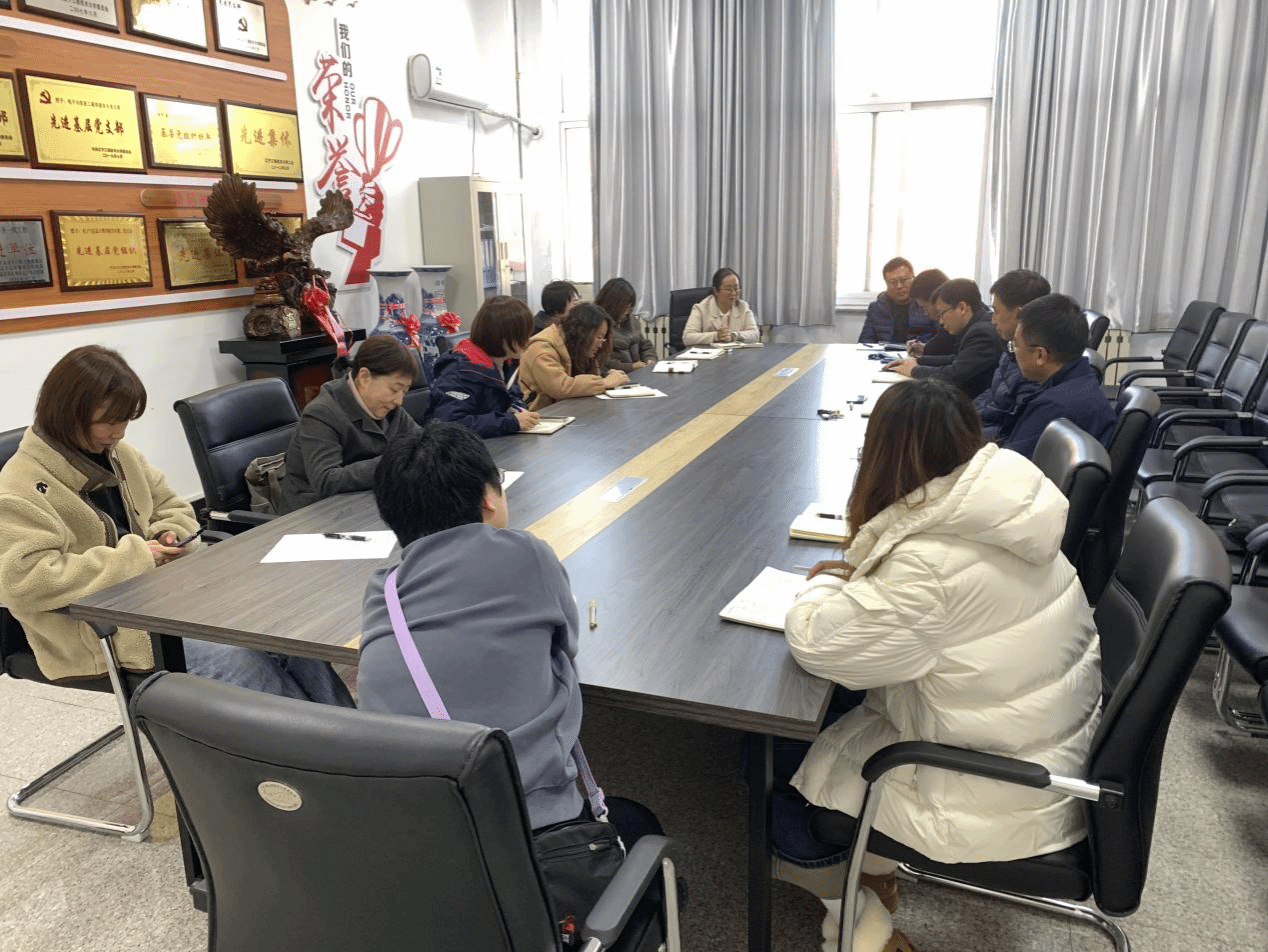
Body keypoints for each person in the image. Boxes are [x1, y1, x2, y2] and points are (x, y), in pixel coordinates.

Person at [777, 377, 1101, 952]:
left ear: (882, 455)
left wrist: (819, 587)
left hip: (989, 791)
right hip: (1040, 754)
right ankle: (874, 869)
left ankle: (858, 917)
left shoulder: (931, 566)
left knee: (770, 756)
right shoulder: (1006, 509)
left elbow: (819, 644)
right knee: (837, 705)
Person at [358, 422, 660, 847]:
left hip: (423, 831)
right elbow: (566, 647)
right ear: (488, 497)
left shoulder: (382, 590)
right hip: (534, 830)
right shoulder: (527, 553)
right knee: (640, 824)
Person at [0, 345, 352, 706]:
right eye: (108, 422)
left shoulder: (119, 455)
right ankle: (309, 739)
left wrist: (167, 534)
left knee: (277, 625)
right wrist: (138, 556)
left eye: (125, 420)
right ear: (67, 413)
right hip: (98, 631)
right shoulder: (20, 485)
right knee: (238, 660)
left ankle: (346, 731)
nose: (118, 432)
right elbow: (23, 580)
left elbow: (173, 506)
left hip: (162, 596)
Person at [277, 335, 421, 514]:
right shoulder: (322, 413)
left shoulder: (391, 409)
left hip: (364, 504)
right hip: (312, 514)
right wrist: (394, 462)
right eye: (394, 389)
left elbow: (422, 443)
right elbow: (326, 480)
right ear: (364, 377)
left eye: (404, 392)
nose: (399, 400)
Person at [997, 293, 1118, 458]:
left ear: (1040, 355)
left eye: (1015, 346)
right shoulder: (1080, 383)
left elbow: (1008, 464)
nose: (1014, 353)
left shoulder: (1053, 409)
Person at [427, 295, 540, 438]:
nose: (528, 341)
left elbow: (512, 396)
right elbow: (450, 425)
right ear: (503, 336)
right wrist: (510, 422)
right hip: (462, 448)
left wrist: (519, 411)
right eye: (523, 336)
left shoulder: (507, 362)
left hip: (496, 442)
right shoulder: (459, 370)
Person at [884, 278, 1002, 398]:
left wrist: (914, 370)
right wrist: (919, 361)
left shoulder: (982, 333)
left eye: (942, 313)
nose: (940, 321)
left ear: (962, 308)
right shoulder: (977, 325)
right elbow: (957, 359)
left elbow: (954, 375)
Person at [976, 269, 1051, 437]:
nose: (993, 320)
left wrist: (961, 431)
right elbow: (991, 396)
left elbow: (1008, 430)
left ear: (1020, 314)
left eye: (996, 311)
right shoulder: (1011, 348)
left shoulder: (1033, 365)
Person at [519, 302, 629, 410]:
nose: (600, 344)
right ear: (583, 332)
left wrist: (607, 375)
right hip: (542, 413)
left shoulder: (576, 346)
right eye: (599, 337)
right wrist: (604, 383)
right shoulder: (542, 348)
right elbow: (560, 387)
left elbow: (589, 375)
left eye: (603, 339)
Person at [858, 257, 940, 346]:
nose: (899, 286)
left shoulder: (925, 303)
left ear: (913, 278)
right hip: (885, 353)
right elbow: (865, 341)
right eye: (893, 282)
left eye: (904, 280)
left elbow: (941, 338)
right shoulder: (876, 307)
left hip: (919, 352)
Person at [682, 267, 759, 346]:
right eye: (728, 289)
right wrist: (716, 336)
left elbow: (755, 334)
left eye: (736, 289)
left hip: (736, 352)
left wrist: (734, 335)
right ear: (716, 291)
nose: (733, 293)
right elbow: (687, 338)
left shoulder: (742, 307)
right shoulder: (701, 308)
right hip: (709, 352)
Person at [595, 277, 655, 372]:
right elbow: (602, 362)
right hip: (617, 374)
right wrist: (631, 367)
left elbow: (645, 346)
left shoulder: (631, 320)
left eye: (630, 308)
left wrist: (649, 359)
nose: (627, 312)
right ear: (613, 305)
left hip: (637, 372)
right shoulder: (598, 324)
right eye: (625, 307)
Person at [904, 268, 953, 357]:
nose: (926, 313)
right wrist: (924, 348)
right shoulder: (948, 326)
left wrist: (917, 362)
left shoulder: (956, 325)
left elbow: (956, 361)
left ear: (937, 300)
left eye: (925, 307)